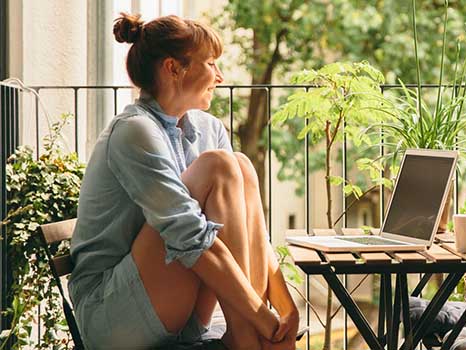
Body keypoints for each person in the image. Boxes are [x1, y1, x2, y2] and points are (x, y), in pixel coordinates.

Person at [68, 12, 298, 349]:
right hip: (112, 315)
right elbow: (188, 237)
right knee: (219, 166)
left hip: (176, 305)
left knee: (241, 166)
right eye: (211, 63)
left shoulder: (208, 129)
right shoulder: (134, 131)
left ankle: (247, 339)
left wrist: (285, 306)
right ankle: (249, 341)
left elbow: (248, 232)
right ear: (173, 68)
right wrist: (263, 319)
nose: (219, 76)